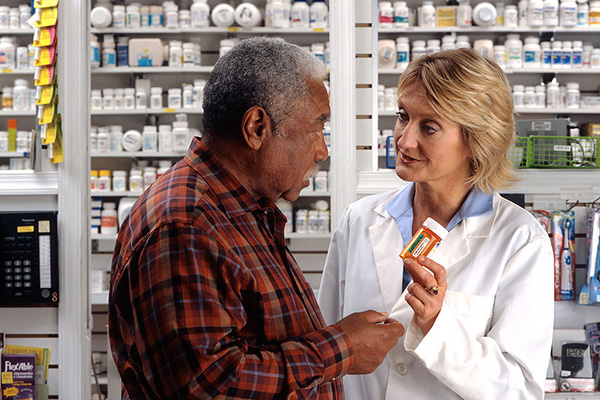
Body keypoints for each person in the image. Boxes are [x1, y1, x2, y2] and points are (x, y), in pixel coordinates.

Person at [108, 37, 404, 399]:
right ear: (256, 128)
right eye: (316, 127)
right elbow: (207, 387)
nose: (322, 150)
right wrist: (340, 349)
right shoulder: (186, 225)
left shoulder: (243, 209)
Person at [318, 48, 554, 399]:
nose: (404, 139)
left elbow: (519, 389)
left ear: (476, 140)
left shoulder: (519, 240)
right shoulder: (359, 220)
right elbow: (325, 347)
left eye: (428, 128)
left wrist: (436, 327)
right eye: (403, 116)